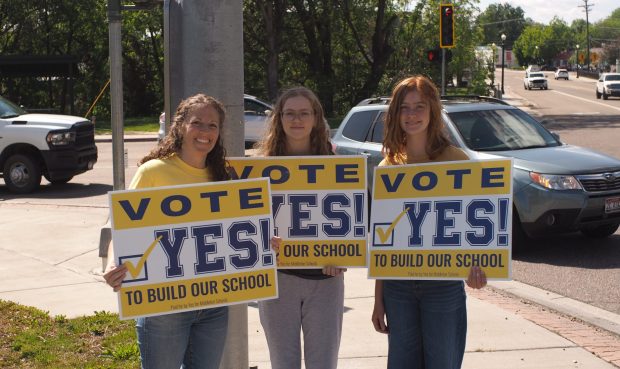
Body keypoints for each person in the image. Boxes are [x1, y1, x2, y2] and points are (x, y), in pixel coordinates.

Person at [103, 94, 231, 369]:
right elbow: (120, 225)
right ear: (181, 125)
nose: (205, 132)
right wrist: (113, 261)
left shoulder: (224, 175)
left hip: (214, 305)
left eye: (213, 126)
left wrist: (264, 245)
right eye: (197, 123)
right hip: (164, 306)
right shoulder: (153, 172)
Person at [370, 75, 488, 369]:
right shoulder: (389, 167)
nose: (411, 115)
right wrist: (378, 299)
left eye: (419, 106)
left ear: (433, 110)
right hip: (398, 287)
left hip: (442, 284)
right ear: (396, 114)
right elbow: (384, 241)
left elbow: (476, 226)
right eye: (404, 108)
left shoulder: (457, 161)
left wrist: (478, 266)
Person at [254, 86, 346, 369]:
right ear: (278, 119)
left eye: (304, 113)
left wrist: (343, 256)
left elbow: (353, 224)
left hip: (326, 281)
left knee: (324, 364)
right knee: (283, 364)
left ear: (316, 117)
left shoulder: (339, 167)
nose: (297, 120)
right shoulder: (258, 168)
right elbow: (246, 224)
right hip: (277, 279)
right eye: (289, 113)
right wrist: (261, 241)